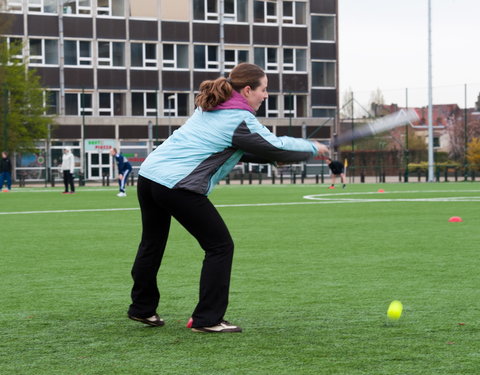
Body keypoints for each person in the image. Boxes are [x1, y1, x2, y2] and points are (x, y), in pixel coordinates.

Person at [127, 63, 329, 333]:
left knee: (151, 243)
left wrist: (274, 158)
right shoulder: (237, 118)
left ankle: (142, 309)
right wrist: (312, 147)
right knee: (220, 246)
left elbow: (240, 148)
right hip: (176, 185)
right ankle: (208, 319)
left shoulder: (212, 108)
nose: (266, 95)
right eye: (264, 89)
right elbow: (275, 146)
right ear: (247, 90)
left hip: (150, 177)